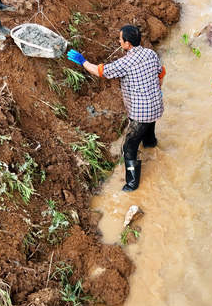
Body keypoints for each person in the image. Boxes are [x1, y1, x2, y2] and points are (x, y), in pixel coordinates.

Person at [67, 25, 165, 192]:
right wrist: (156, 91)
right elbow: (161, 74)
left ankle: (132, 185)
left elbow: (100, 71)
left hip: (140, 112)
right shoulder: (150, 53)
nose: (119, 42)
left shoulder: (125, 63)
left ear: (127, 44)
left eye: (120, 39)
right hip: (156, 104)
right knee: (148, 132)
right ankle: (151, 146)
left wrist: (83, 61)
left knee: (129, 147)